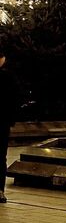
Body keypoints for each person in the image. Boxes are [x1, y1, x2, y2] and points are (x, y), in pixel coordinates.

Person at [0, 50, 20, 203]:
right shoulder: (8, 78)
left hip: (3, 122)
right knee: (1, 157)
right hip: (3, 122)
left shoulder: (7, 77)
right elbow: (14, 100)